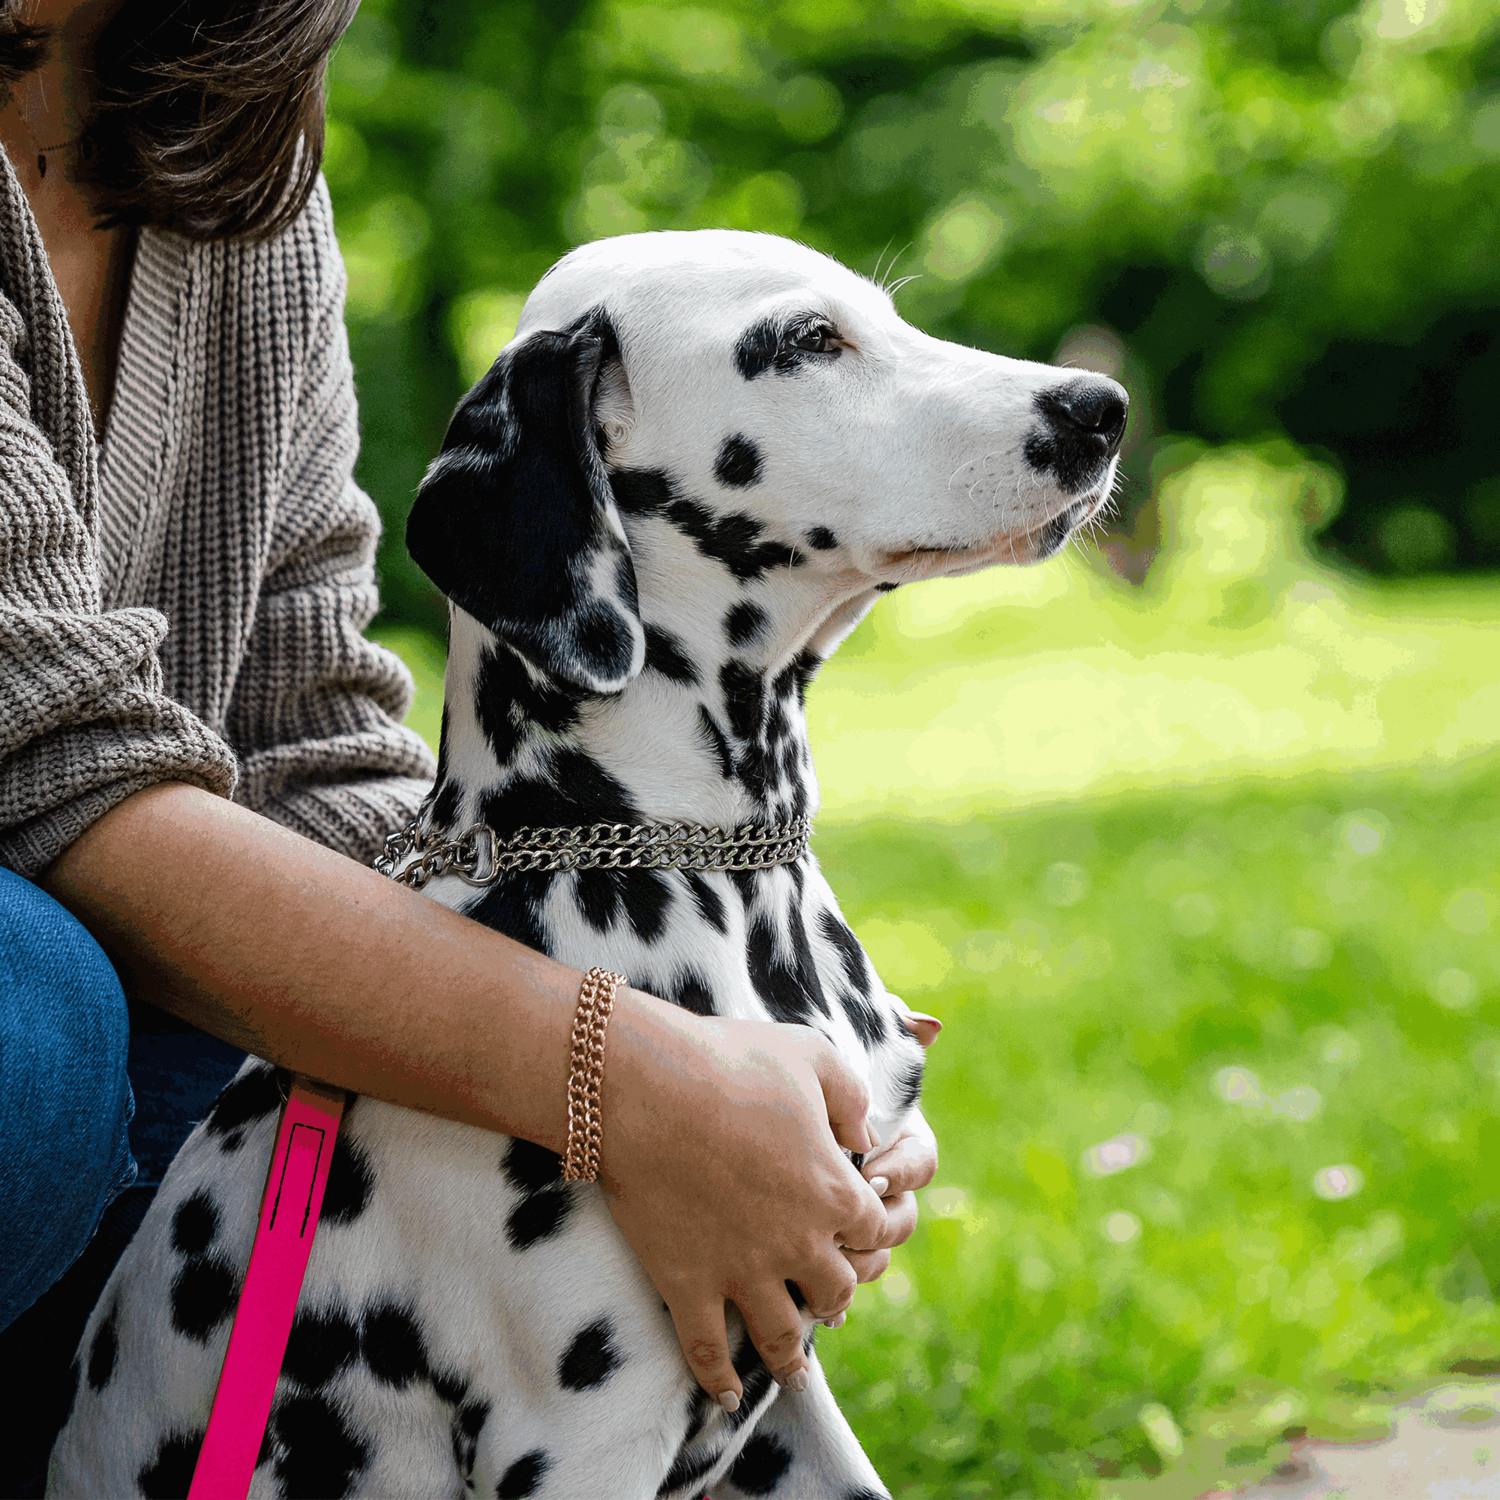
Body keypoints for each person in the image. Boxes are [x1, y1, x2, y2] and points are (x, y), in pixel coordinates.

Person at [0, 0, 938, 1489]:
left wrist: (732, 1055)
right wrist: (613, 1079)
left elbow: (307, 732)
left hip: (140, 1030)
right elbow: (45, 759)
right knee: (31, 1028)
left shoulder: (231, 161)